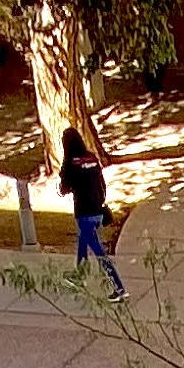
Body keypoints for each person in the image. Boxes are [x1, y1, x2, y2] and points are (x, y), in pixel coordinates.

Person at [56, 127, 125, 300]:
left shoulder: (71, 163)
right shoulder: (92, 158)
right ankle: (79, 277)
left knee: (98, 251)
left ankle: (119, 288)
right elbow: (102, 183)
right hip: (97, 209)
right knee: (82, 244)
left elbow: (63, 189)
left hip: (84, 212)